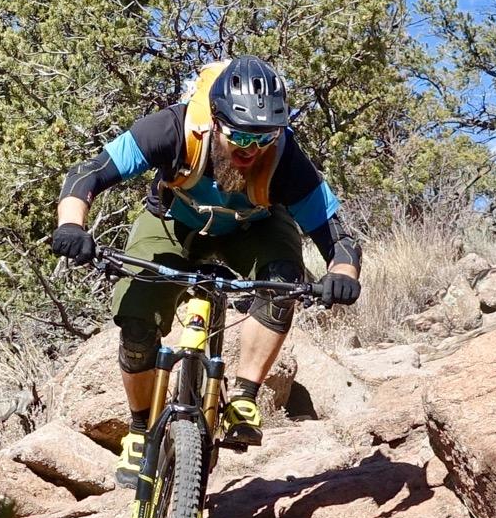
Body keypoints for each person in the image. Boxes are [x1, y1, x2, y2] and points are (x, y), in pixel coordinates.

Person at [48, 55, 362, 480]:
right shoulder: (171, 128)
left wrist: (342, 276)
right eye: (240, 137)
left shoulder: (286, 157)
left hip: (255, 227)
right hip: (174, 221)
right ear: (213, 120)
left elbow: (338, 237)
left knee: (283, 282)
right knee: (137, 325)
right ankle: (140, 428)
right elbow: (87, 175)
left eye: (264, 139)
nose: (250, 152)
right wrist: (71, 226)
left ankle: (245, 395)